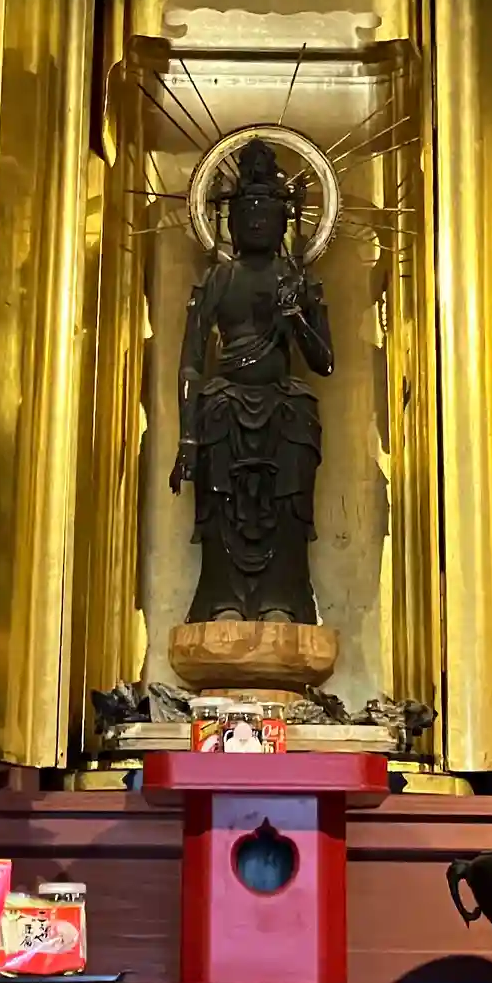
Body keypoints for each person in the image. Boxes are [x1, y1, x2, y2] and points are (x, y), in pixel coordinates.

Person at [170, 141, 334, 625]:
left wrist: (296, 315)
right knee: (219, 498)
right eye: (248, 212)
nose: (258, 222)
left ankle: (285, 596)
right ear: (231, 222)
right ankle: (221, 597)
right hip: (223, 406)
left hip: (284, 404)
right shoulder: (217, 280)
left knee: (289, 497)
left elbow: (324, 363)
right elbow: (190, 363)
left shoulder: (299, 281)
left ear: (285, 222)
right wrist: (187, 438)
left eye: (267, 212)